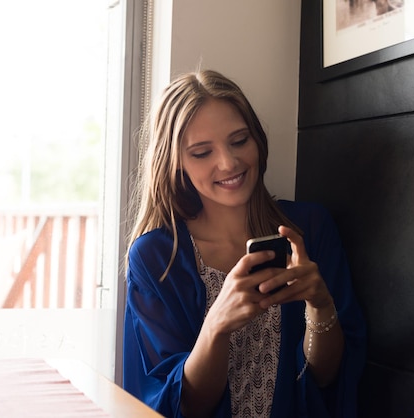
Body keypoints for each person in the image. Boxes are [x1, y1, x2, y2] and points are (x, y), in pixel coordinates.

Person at [122, 69, 366, 417]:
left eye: (239, 141)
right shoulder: (158, 257)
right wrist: (217, 324)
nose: (229, 162)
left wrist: (321, 305)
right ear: (176, 164)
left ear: (258, 140)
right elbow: (181, 406)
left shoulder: (309, 228)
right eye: (202, 152)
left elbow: (327, 380)